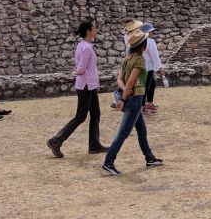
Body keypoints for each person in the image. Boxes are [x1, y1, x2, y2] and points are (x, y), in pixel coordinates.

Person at [102, 29, 164, 175]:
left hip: (131, 97)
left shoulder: (127, 59)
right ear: (142, 46)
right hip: (134, 100)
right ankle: (108, 162)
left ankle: (149, 158)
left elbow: (120, 79)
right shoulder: (139, 60)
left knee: (142, 130)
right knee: (123, 133)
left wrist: (124, 92)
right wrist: (125, 96)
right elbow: (131, 82)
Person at [46, 20, 108, 157]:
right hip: (86, 85)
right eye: (94, 28)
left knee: (95, 114)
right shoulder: (86, 48)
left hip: (89, 85)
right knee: (81, 116)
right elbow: (80, 69)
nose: (96, 30)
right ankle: (57, 140)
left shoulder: (83, 45)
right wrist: (86, 73)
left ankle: (94, 144)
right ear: (88, 31)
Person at [140, 22, 165, 115]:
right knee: (145, 87)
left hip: (141, 68)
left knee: (151, 84)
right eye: (151, 31)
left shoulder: (140, 41)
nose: (153, 33)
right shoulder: (150, 42)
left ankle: (149, 103)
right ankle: (142, 107)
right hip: (148, 68)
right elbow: (155, 56)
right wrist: (160, 68)